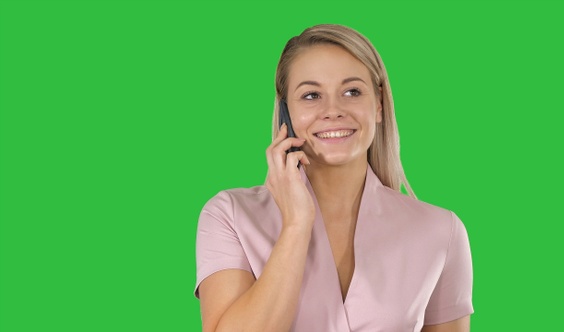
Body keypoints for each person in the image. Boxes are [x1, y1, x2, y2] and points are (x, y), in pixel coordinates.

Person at [194, 24, 474, 332]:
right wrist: (296, 226)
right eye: (311, 95)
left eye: (352, 92)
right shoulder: (229, 215)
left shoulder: (440, 231)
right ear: (286, 111)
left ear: (378, 105)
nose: (333, 111)